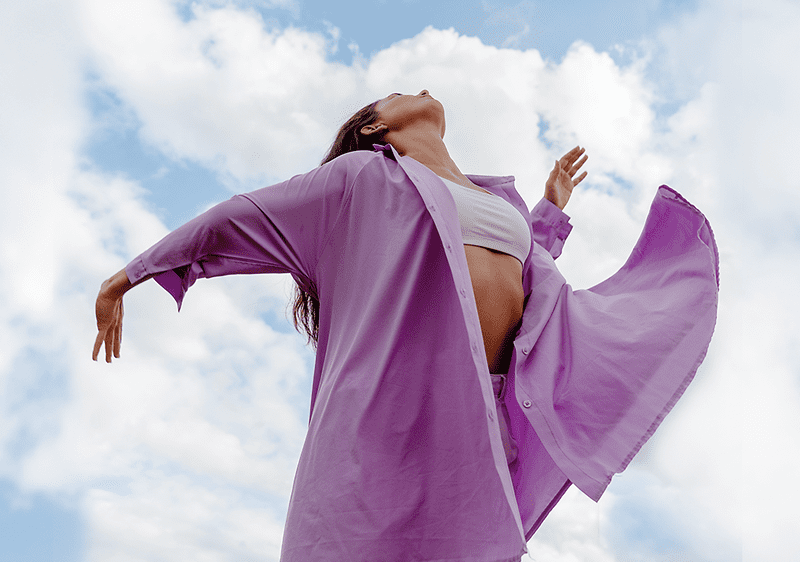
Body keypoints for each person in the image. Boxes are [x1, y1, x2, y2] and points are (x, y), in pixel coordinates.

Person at [93, 90, 719, 562]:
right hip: (386, 414)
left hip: (479, 414)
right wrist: (129, 276)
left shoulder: (497, 203)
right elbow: (238, 218)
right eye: (396, 90)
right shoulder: (360, 179)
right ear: (375, 126)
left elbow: (523, 275)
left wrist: (550, 208)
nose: (415, 86)